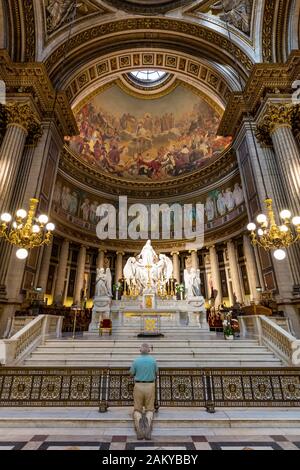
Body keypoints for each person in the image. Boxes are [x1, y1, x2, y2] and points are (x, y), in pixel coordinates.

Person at [130, 344, 158, 440]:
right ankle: (147, 429)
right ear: (149, 350)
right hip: (150, 385)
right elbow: (156, 372)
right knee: (150, 408)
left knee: (137, 408)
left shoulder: (136, 360)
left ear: (140, 350)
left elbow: (131, 373)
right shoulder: (153, 360)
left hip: (139, 385)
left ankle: (139, 430)